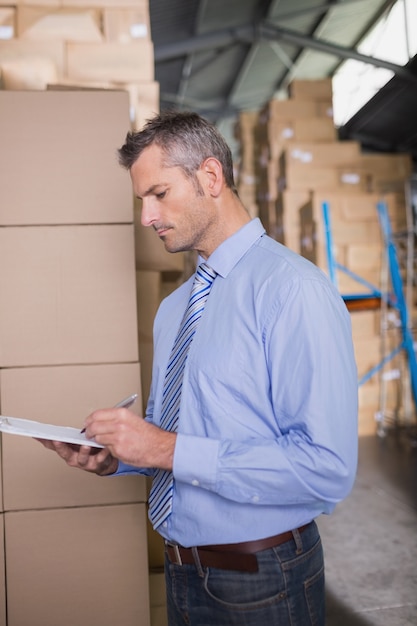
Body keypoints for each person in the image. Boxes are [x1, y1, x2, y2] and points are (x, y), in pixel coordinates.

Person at [39, 110, 358, 625]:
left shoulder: (292, 290)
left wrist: (161, 447)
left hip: (263, 577)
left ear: (210, 177)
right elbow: (183, 441)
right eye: (142, 200)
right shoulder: (176, 308)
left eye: (158, 194)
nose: (146, 216)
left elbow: (327, 468)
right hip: (183, 572)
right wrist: (120, 456)